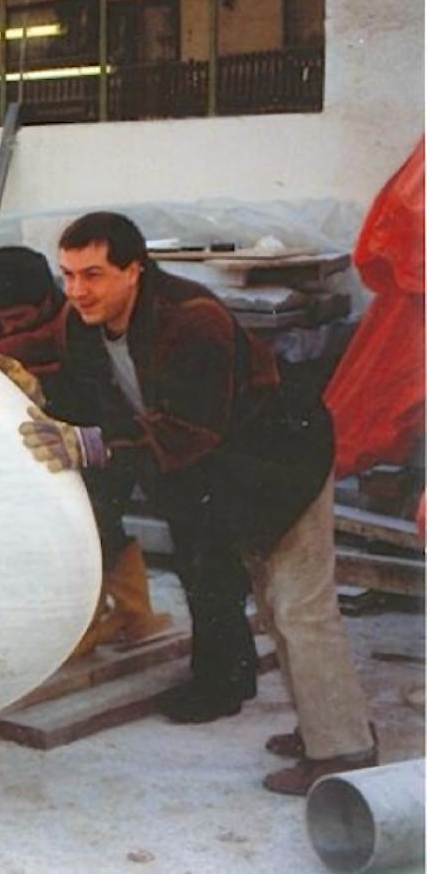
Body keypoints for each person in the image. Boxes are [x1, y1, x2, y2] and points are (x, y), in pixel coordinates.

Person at [18, 211, 375, 795]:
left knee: (299, 607)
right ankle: (327, 725)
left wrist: (90, 445)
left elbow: (189, 428)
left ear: (135, 270)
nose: (77, 291)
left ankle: (344, 750)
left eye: (93, 275)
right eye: (68, 275)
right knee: (274, 604)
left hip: (285, 460)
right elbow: (67, 375)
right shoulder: (83, 323)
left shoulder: (192, 319)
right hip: (228, 471)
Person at [0, 245, 171, 658]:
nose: (8, 327)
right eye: (2, 320)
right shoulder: (14, 335)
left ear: (45, 302)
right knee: (92, 531)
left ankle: (97, 624)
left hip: (103, 445)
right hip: (55, 451)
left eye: (17, 318)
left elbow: (95, 396)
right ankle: (130, 614)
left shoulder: (79, 329)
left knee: (93, 531)